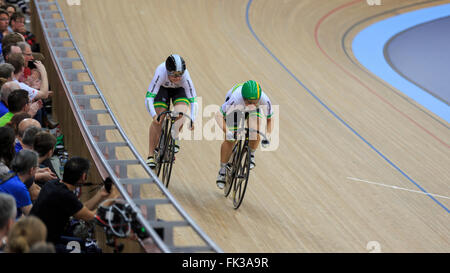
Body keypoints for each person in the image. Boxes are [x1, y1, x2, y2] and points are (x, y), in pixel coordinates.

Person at [30, 157, 119, 251]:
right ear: (84, 177)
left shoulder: (53, 184)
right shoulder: (65, 195)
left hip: (38, 238)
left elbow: (80, 210)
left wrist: (100, 195)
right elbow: (92, 217)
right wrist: (112, 198)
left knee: (80, 244)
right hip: (41, 246)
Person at [215, 80, 273, 189]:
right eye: (248, 102)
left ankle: (251, 154)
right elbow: (218, 115)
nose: (251, 105)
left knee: (255, 130)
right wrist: (227, 132)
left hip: (253, 112)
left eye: (254, 102)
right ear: (243, 98)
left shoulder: (264, 99)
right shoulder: (235, 99)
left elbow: (270, 119)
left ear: (259, 99)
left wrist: (268, 135)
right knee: (231, 140)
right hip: (235, 110)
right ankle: (222, 170)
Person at [145, 54, 198, 169]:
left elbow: (194, 101)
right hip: (162, 90)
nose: (177, 78)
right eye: (174, 75)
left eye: (180, 75)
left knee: (182, 112)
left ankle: (174, 136)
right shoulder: (160, 72)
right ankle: (150, 155)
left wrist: (193, 119)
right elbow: (149, 97)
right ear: (167, 71)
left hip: (179, 91)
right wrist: (154, 115)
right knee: (159, 118)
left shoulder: (185, 77)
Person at [0, 149, 40, 218]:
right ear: (31, 170)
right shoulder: (20, 188)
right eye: (37, 166)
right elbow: (33, 217)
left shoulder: (9, 175)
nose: (38, 169)